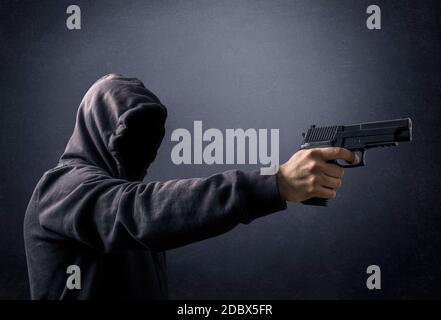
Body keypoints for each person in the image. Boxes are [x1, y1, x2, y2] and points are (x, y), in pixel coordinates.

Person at [23, 74, 357, 299]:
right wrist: (275, 182)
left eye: (146, 137)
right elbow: (139, 212)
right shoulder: (59, 188)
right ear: (97, 130)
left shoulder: (122, 199)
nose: (140, 149)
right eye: (128, 135)